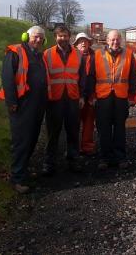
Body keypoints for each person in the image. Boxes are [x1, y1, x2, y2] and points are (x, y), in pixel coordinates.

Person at [0, 26, 49, 193]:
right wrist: (12, 102)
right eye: (35, 37)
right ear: (26, 36)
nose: (38, 40)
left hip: (37, 104)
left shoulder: (39, 56)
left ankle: (23, 171)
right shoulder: (15, 52)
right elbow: (7, 78)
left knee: (32, 138)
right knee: (21, 141)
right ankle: (17, 178)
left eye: (41, 38)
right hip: (21, 105)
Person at [42, 25, 87, 175]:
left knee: (73, 131)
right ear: (55, 37)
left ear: (69, 37)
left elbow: (83, 77)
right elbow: (43, 77)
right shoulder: (47, 54)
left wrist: (82, 96)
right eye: (60, 36)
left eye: (65, 36)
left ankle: (73, 160)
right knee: (52, 132)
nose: (63, 38)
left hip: (73, 98)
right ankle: (49, 163)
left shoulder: (78, 55)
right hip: (54, 99)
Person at [90, 29, 136, 170]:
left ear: (120, 40)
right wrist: (92, 96)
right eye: (112, 39)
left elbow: (133, 76)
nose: (115, 42)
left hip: (121, 97)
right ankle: (104, 157)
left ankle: (120, 157)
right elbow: (91, 76)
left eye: (117, 39)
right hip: (102, 97)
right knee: (103, 128)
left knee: (119, 128)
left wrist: (132, 96)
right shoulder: (97, 54)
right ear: (107, 40)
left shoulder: (128, 54)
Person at [74, 32, 96, 156]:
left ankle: (87, 147)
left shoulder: (96, 57)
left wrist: (94, 95)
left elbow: (99, 76)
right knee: (73, 123)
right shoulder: (71, 57)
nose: (83, 43)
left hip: (90, 95)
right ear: (76, 44)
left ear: (89, 43)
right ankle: (73, 148)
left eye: (85, 41)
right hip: (75, 95)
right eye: (80, 41)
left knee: (89, 122)